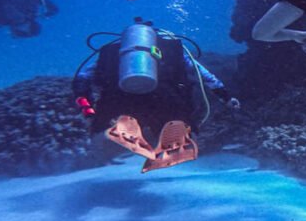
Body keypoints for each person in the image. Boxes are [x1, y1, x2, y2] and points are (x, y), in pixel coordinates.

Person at [72, 18, 240, 172]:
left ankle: (107, 134)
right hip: (164, 100)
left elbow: (82, 78)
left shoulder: (112, 51)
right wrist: (225, 97)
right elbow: (204, 75)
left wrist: (86, 107)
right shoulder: (173, 48)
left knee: (108, 117)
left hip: (119, 99)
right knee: (175, 118)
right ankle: (174, 140)